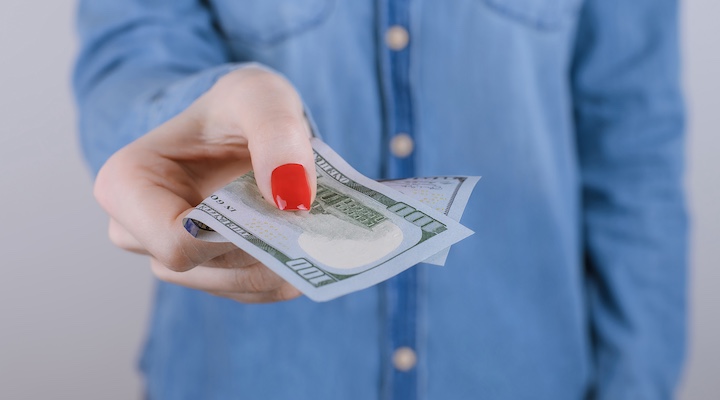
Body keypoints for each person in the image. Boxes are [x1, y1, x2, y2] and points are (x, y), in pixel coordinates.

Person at [74, 0, 688, 399]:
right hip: (244, 375)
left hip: (526, 372)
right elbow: (132, 53)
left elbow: (634, 149)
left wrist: (639, 383)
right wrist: (174, 128)